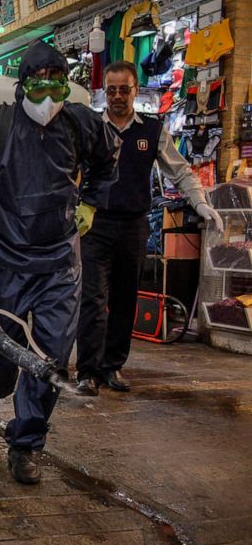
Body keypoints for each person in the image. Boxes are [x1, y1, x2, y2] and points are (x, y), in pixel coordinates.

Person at [0, 40, 119, 485]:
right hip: (4, 262)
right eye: (38, 88)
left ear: (67, 89)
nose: (47, 99)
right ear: (22, 88)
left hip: (60, 263)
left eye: (56, 88)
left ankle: (26, 444)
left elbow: (108, 159)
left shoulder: (82, 124)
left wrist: (91, 202)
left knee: (50, 358)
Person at [75, 62, 222, 396]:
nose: (116, 96)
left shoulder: (153, 130)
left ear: (135, 90)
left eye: (123, 89)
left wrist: (200, 203)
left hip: (133, 226)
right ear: (104, 93)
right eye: (110, 90)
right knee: (93, 299)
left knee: (126, 298)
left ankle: (112, 366)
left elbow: (181, 172)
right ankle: (88, 371)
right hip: (94, 225)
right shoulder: (91, 128)